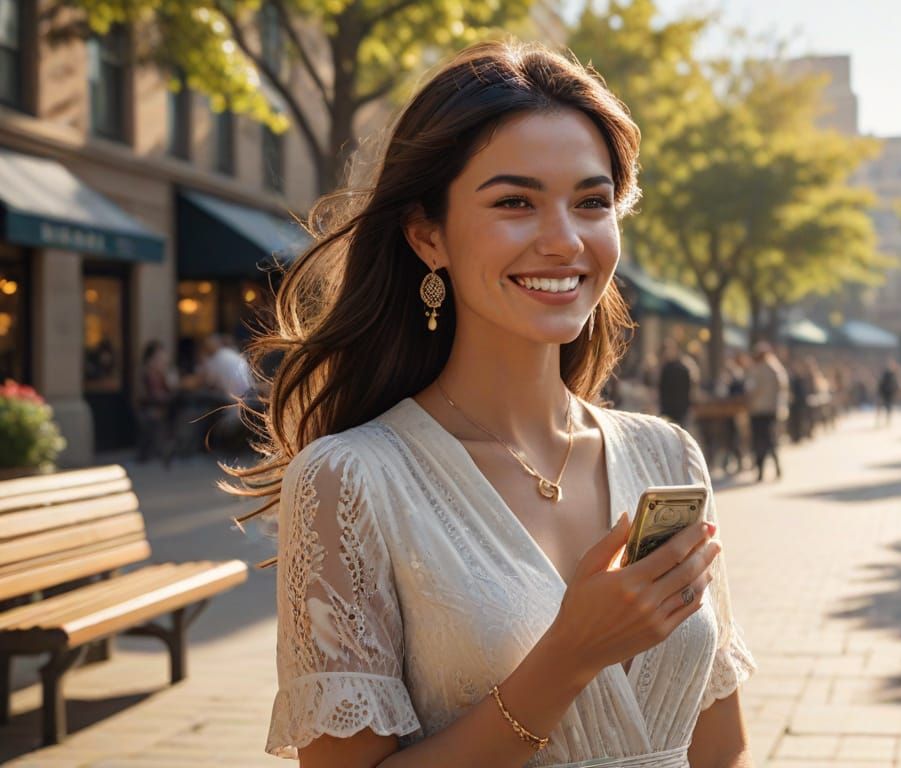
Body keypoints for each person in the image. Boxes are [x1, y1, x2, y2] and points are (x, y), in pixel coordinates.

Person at [227, 42, 754, 767]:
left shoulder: (667, 456)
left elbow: (721, 749)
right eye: (515, 202)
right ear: (427, 234)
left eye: (592, 202)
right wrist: (567, 657)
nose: (564, 240)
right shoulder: (350, 480)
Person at [745, 342, 788, 482]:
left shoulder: (757, 369)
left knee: (760, 441)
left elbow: (752, 389)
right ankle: (776, 466)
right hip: (772, 410)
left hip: (758, 410)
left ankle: (760, 471)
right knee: (770, 440)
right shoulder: (776, 368)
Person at [135, 340, 177, 465]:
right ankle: (164, 449)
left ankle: (172, 447)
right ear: (150, 359)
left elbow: (171, 389)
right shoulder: (145, 373)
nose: (162, 360)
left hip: (163, 406)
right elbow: (144, 395)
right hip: (149, 408)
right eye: (158, 357)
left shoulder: (162, 372)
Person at [657, 339, 698, 427]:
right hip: (669, 410)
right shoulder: (664, 368)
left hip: (681, 410)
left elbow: (692, 385)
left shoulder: (685, 366)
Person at [877, 359, 901, 427]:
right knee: (882, 407)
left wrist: (897, 391)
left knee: (889, 408)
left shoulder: (894, 374)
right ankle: (879, 421)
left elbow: (896, 384)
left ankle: (887, 421)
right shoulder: (885, 374)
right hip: (884, 393)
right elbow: (881, 383)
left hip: (890, 393)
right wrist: (880, 392)